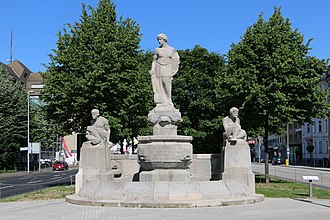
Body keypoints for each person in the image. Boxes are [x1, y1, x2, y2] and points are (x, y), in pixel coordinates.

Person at [150, 33, 180, 106]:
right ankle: (160, 101)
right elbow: (154, 60)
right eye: (158, 40)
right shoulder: (157, 50)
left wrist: (174, 70)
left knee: (166, 83)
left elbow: (176, 60)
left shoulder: (171, 49)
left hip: (167, 68)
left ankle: (169, 99)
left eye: (160, 39)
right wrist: (152, 69)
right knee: (159, 83)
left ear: (164, 39)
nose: (159, 41)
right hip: (159, 67)